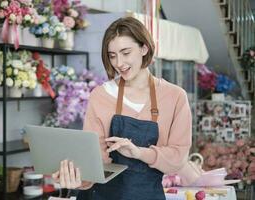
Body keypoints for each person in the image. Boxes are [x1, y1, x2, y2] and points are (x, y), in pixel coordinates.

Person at [53, 16, 192, 200]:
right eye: (112, 55)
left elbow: (177, 158)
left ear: (144, 48)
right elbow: (96, 160)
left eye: (126, 53)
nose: (119, 63)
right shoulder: (101, 95)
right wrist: (77, 180)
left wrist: (140, 153)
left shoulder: (175, 97)